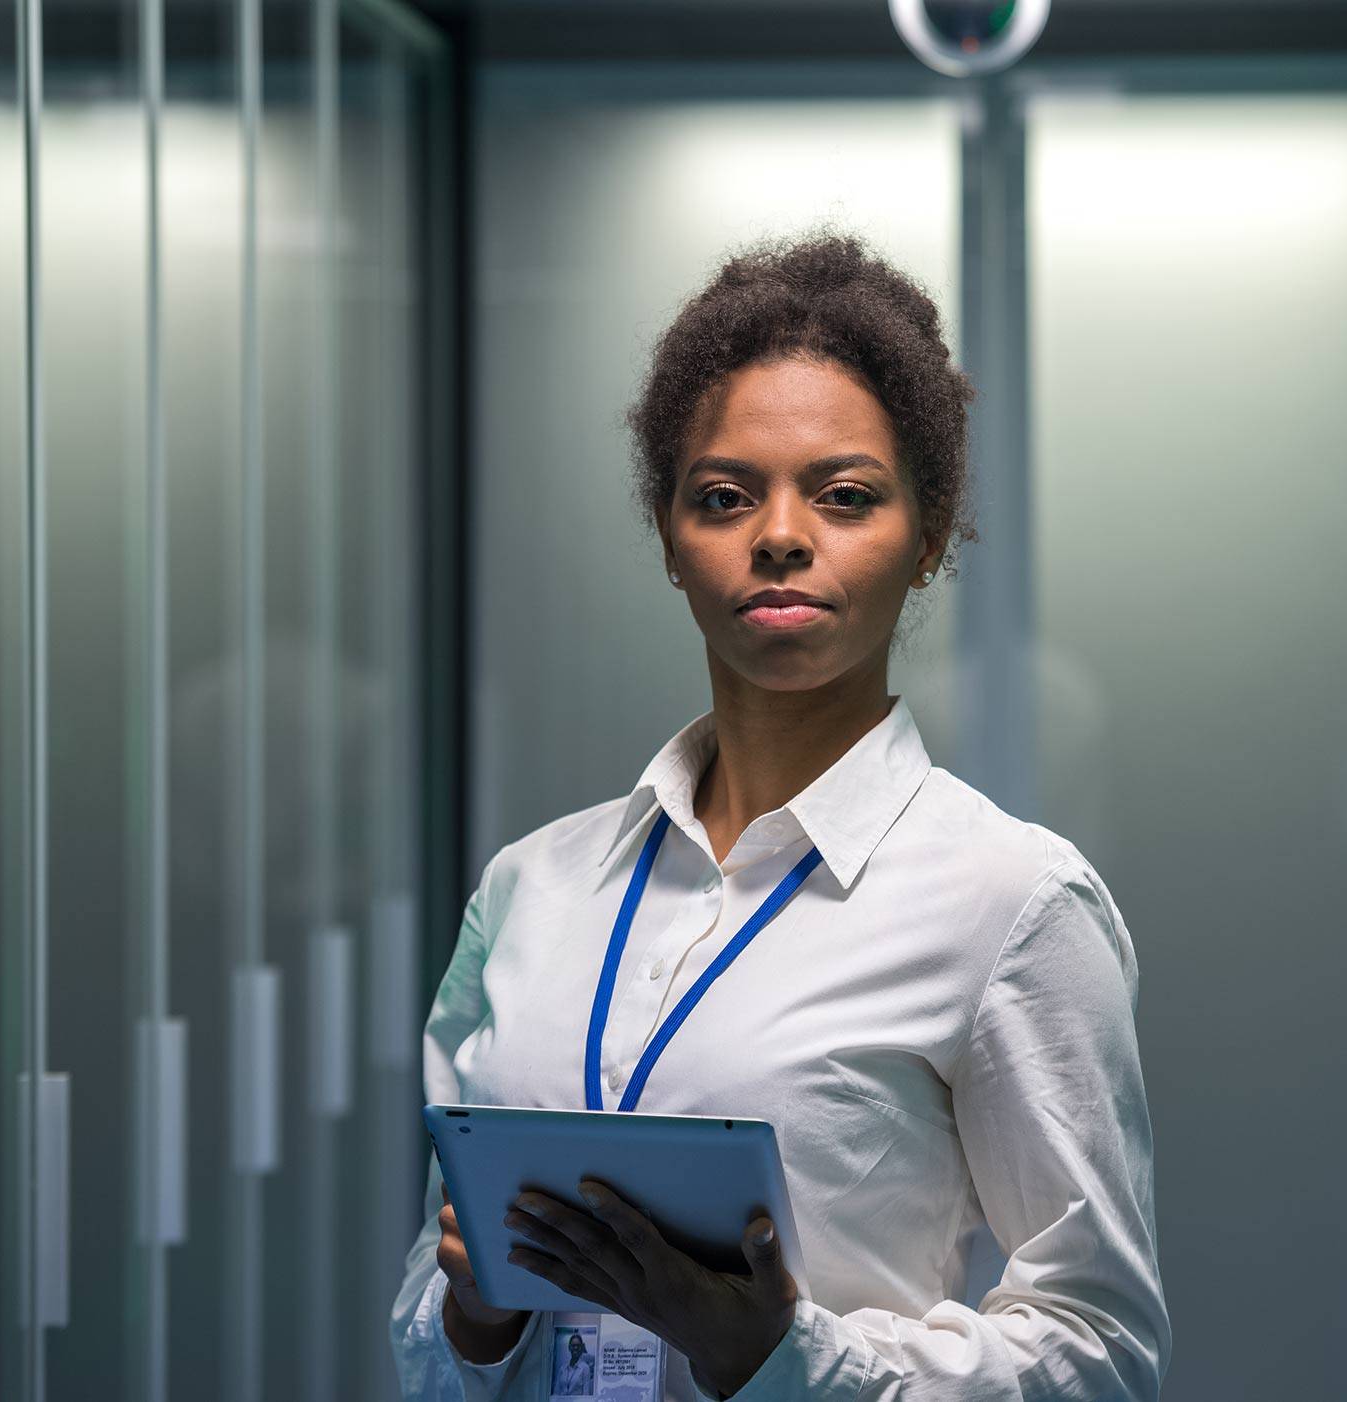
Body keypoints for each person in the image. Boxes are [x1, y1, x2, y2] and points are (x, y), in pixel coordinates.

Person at [389, 230, 1169, 1399]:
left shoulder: (1012, 903)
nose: (782, 535)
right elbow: (427, 1332)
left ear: (929, 538)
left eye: (845, 495)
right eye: (724, 495)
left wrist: (780, 1355)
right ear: (668, 534)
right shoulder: (531, 890)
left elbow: (1103, 1356)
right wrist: (475, 1310)